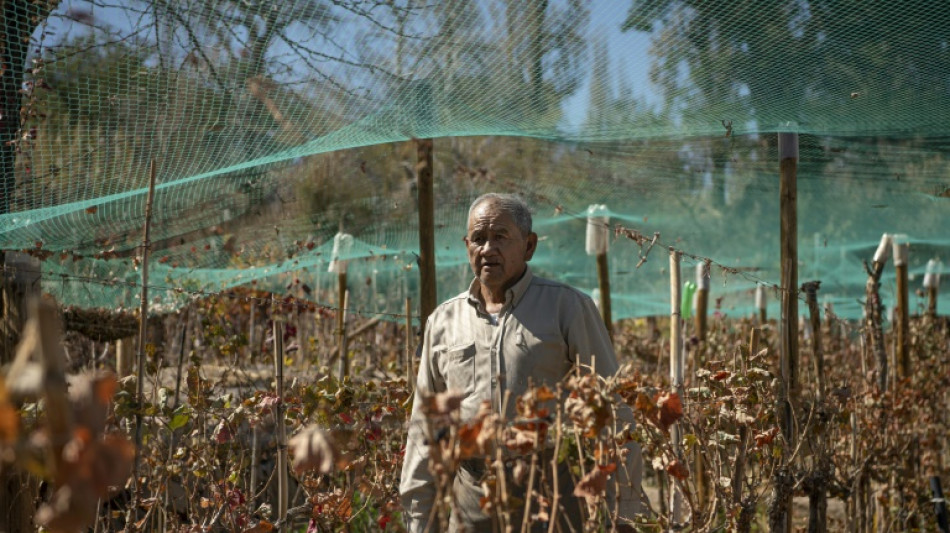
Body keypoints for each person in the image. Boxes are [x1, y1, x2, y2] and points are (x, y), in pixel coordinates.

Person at [399, 193, 642, 532]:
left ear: (529, 246)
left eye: (500, 237)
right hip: (471, 499)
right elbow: (425, 428)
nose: (487, 248)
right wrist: (417, 520)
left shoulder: (567, 307)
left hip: (548, 495)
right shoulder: (442, 322)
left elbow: (613, 410)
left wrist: (624, 513)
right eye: (479, 239)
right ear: (466, 245)